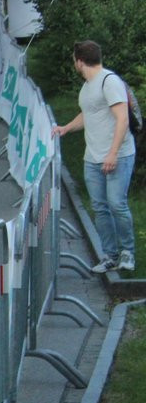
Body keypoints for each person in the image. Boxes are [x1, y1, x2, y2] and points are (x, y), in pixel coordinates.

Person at [54, 41, 137, 273]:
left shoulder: (109, 82)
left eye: (74, 60)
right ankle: (109, 255)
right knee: (100, 207)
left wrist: (112, 153)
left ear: (79, 61)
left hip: (117, 155)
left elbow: (122, 119)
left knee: (117, 204)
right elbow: (88, 113)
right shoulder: (87, 86)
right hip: (92, 157)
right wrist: (66, 128)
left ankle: (127, 253)